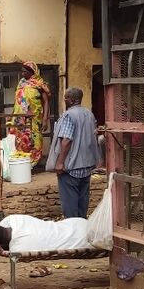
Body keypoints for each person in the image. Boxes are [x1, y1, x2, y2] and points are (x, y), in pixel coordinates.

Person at [46, 87, 102, 218]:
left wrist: (60, 162)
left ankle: (73, 232)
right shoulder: (89, 114)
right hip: (86, 166)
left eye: (66, 97)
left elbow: (66, 140)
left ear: (71, 100)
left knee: (70, 208)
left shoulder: (68, 116)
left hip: (70, 168)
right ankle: (82, 230)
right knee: (82, 205)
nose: (64, 100)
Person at [0, 214, 93, 254]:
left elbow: (8, 250)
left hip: (84, 241)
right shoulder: (13, 219)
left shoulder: (18, 248)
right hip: (77, 223)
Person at [7, 62, 51, 165]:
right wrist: (12, 114)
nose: (22, 74)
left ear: (32, 72)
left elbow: (46, 102)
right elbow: (18, 101)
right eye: (21, 71)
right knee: (20, 141)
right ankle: (23, 163)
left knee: (34, 141)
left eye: (25, 72)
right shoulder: (21, 84)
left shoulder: (40, 85)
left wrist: (45, 119)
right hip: (19, 119)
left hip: (34, 119)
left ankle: (33, 163)